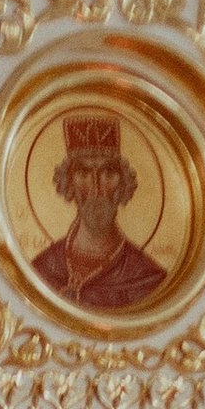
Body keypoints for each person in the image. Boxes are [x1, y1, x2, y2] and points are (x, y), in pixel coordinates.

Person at [29, 112, 166, 311]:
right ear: (69, 184)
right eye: (83, 173)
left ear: (123, 184)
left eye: (108, 173)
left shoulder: (146, 279)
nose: (96, 189)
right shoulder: (44, 267)